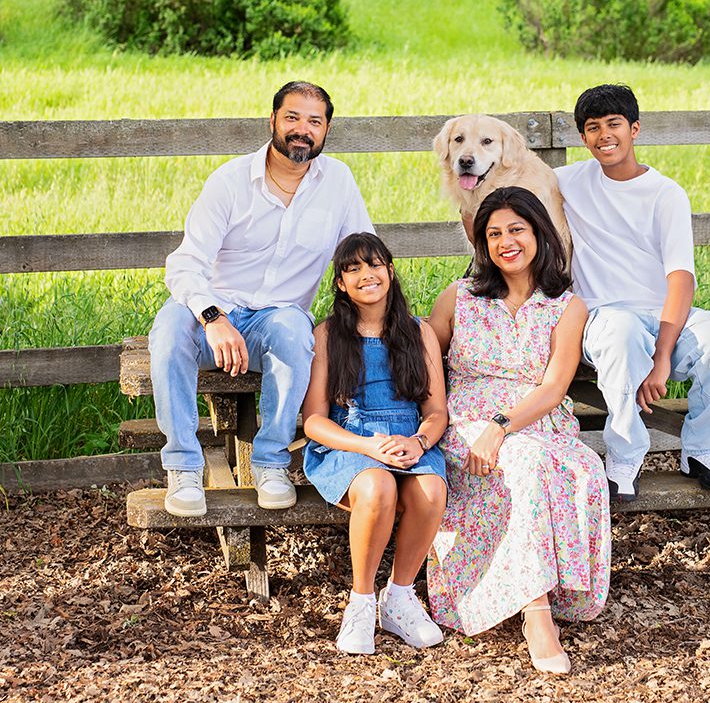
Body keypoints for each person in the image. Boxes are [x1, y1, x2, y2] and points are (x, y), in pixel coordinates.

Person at [150, 81, 373, 518]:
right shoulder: (231, 181)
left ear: (326, 130)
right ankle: (183, 467)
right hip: (213, 318)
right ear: (271, 121)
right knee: (171, 329)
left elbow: (360, 254)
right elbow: (185, 264)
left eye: (314, 121)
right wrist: (213, 317)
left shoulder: (338, 182)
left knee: (294, 328)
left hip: (275, 323)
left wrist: (365, 324)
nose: (302, 130)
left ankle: (272, 463)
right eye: (292, 118)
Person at [427, 186, 611, 675]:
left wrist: (502, 426)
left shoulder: (566, 306)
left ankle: (553, 591)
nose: (506, 242)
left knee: (584, 467)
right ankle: (536, 613)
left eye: (516, 230)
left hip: (537, 420)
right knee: (524, 468)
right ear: (482, 245)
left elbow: (554, 387)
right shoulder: (459, 298)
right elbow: (423, 359)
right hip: (466, 422)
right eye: (493, 234)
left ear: (537, 234)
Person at [554, 83, 710, 502]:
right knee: (621, 337)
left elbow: (681, 279)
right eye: (592, 127)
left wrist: (661, 356)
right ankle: (624, 455)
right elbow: (505, 185)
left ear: (635, 128)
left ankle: (703, 449)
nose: (605, 135)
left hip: (663, 313)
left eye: (614, 124)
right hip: (605, 315)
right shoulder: (564, 183)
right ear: (583, 138)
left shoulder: (666, 194)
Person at [301, 232, 449, 655]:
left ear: (389, 270)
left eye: (374, 264)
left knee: (431, 488)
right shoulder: (328, 335)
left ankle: (399, 596)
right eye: (353, 269)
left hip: (408, 438)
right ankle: (361, 601)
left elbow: (436, 412)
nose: (367, 274)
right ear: (341, 284)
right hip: (349, 442)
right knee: (378, 485)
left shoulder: (418, 333)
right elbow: (313, 420)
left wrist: (420, 442)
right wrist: (367, 447)